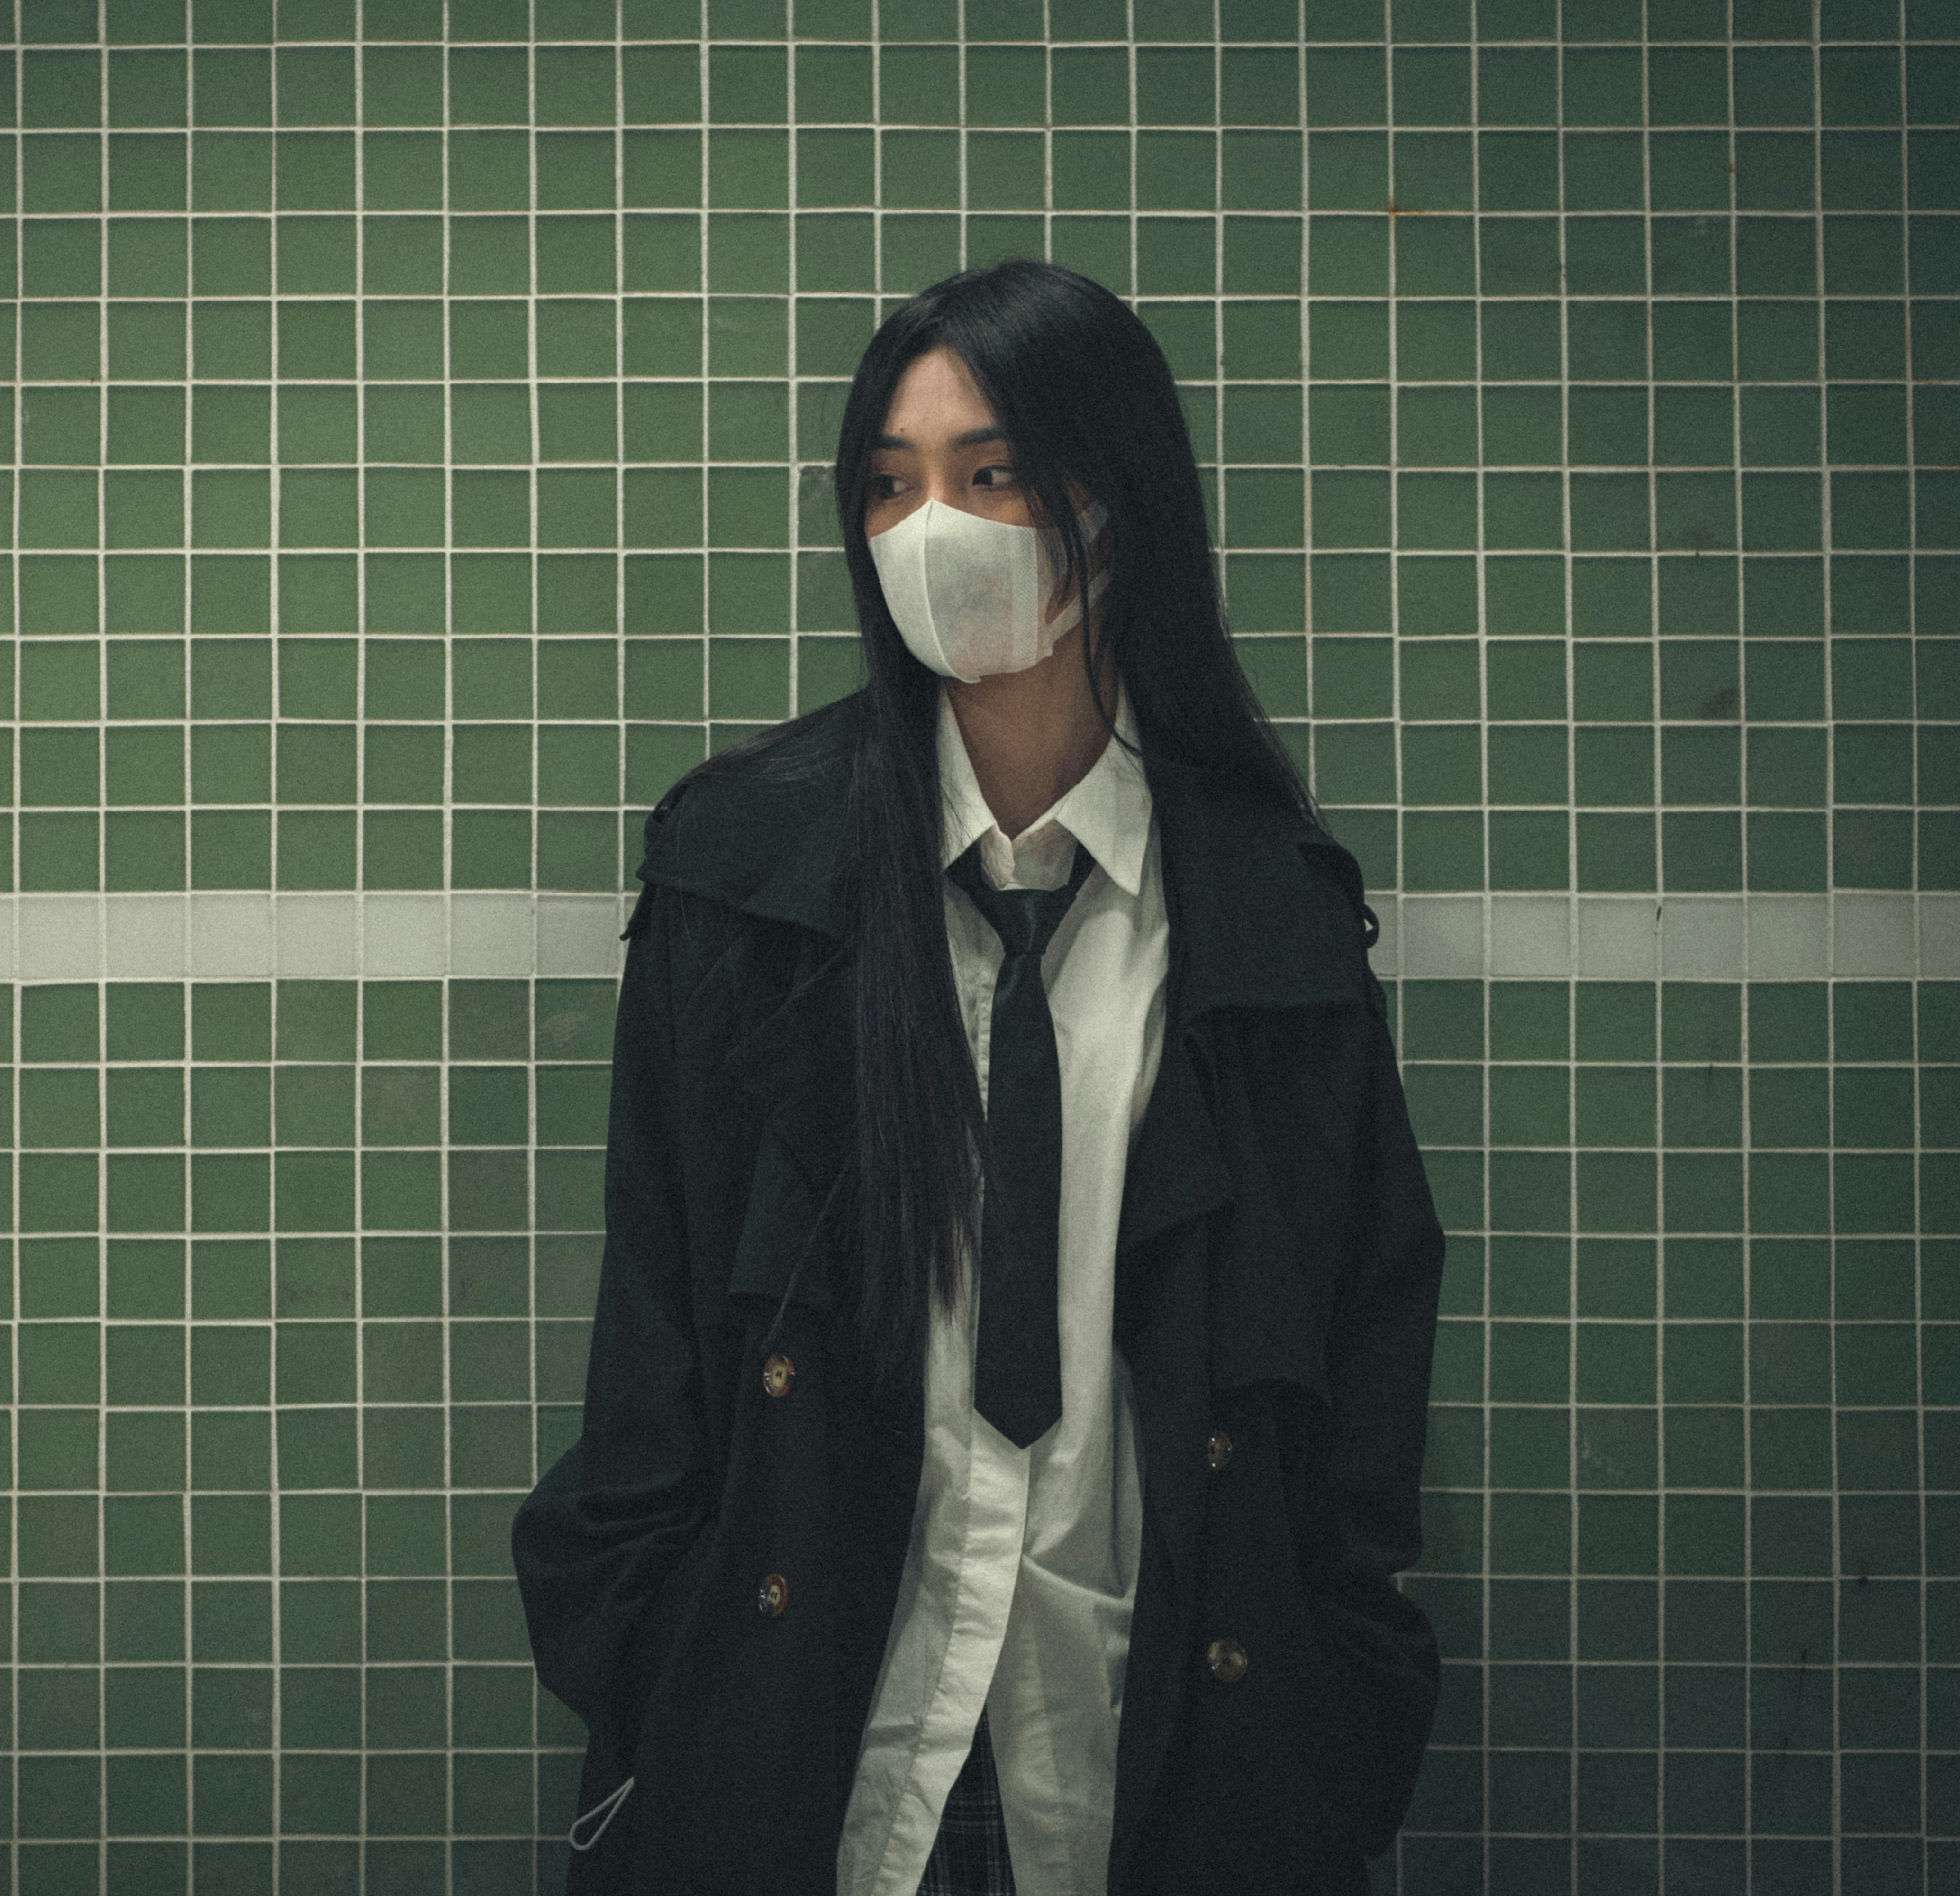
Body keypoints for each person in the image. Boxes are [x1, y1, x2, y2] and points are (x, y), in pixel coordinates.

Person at [511, 256, 1447, 1896]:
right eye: (889, 485)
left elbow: (1363, 1355)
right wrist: (656, 1664)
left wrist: (1339, 1695)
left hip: (1158, 1769)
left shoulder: (1269, 926)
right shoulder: (747, 886)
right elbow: (650, 1326)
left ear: (1120, 498)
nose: (928, 529)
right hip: (820, 1760)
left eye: (991, 472)